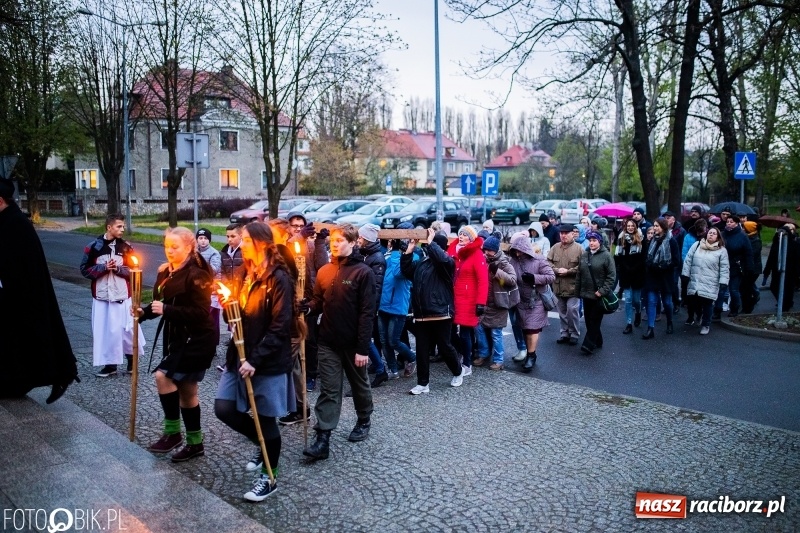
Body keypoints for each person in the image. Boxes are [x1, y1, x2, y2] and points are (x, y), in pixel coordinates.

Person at [214, 222, 295, 502]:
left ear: (261, 242)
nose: (241, 243)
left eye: (246, 239)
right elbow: (235, 317)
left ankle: (270, 477)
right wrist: (228, 307)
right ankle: (261, 445)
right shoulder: (245, 272)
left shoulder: (279, 277)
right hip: (239, 355)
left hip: (266, 361)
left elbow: (281, 325)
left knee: (266, 420)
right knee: (223, 407)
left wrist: (256, 359)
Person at [134, 227, 216, 462]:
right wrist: (143, 313)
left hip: (197, 339)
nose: (169, 251)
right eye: (167, 246)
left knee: (163, 376)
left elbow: (202, 313)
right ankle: (195, 444)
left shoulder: (198, 274)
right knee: (188, 392)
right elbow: (160, 303)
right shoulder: (165, 271)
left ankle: (172, 433)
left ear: (189, 248)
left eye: (175, 247)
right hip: (177, 337)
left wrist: (167, 310)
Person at [300, 224, 376, 460]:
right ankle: (323, 438)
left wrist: (363, 349)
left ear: (353, 243)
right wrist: (307, 307)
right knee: (329, 390)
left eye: (341, 240)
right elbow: (318, 301)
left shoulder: (363, 273)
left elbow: (367, 313)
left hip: (354, 343)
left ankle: (364, 419)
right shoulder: (324, 271)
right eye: (333, 239)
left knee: (359, 384)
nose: (335, 243)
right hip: (328, 341)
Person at [0, 178, 79, 403]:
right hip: (11, 294)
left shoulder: (16, 224)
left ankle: (61, 373)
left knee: (36, 337)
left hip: (23, 296)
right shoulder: (6, 220)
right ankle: (12, 382)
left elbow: (18, 263)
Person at [80, 213, 145, 377]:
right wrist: (102, 268)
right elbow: (84, 270)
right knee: (106, 331)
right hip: (102, 297)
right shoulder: (93, 247)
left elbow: (134, 271)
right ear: (109, 227)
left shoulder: (126, 248)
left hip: (123, 297)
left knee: (127, 330)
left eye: (123, 226)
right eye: (119, 226)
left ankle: (132, 361)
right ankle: (110, 366)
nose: (122, 229)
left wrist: (117, 269)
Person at [401, 230, 465, 394]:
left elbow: (442, 260)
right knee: (422, 349)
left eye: (432, 244)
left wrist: (430, 243)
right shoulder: (423, 262)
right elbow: (407, 272)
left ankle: (458, 371)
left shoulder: (447, 262)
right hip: (422, 314)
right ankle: (423, 383)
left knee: (445, 346)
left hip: (441, 312)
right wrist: (409, 250)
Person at [287, 211, 329, 393]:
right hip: (290, 297)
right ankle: (291, 373)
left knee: (310, 338)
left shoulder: (310, 245)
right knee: (292, 337)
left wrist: (320, 242)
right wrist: (299, 236)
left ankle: (311, 373)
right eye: (294, 226)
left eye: (300, 225)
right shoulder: (285, 244)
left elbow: (321, 265)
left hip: (309, 297)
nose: (298, 229)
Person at [507, 234, 555, 371]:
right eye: (515, 250)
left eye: (519, 250)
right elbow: (509, 276)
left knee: (532, 328)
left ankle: (531, 356)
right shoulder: (513, 261)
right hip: (520, 300)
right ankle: (529, 353)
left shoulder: (539, 260)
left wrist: (534, 278)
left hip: (536, 300)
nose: (517, 253)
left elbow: (551, 276)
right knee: (525, 328)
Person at [446, 225, 488, 379]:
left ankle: (467, 364)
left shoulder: (477, 254)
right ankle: (461, 354)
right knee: (449, 332)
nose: (461, 236)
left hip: (469, 300)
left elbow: (483, 280)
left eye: (465, 234)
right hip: (453, 297)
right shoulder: (452, 251)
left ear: (471, 238)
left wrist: (480, 302)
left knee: (465, 333)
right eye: (460, 234)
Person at [473, 236, 517, 370]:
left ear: (495, 250)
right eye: (485, 249)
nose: (486, 252)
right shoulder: (483, 260)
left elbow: (512, 281)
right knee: (478, 328)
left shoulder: (504, 262)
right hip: (484, 303)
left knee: (496, 334)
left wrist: (497, 272)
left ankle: (499, 360)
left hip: (499, 304)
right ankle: (484, 353)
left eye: (489, 250)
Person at [378, 231, 417, 379]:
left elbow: (397, 273)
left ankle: (412, 357)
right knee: (384, 341)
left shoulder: (410, 259)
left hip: (398, 307)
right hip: (383, 305)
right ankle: (393, 370)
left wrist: (396, 253)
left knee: (393, 341)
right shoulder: (387, 257)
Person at [356, 224, 390, 387]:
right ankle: (378, 368)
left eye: (361, 237)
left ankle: (379, 369)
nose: (358, 240)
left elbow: (376, 287)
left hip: (366, 306)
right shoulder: (366, 255)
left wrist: (369, 308)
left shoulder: (377, 258)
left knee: (363, 338)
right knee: (364, 338)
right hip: (363, 305)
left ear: (367, 240)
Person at [682, 227, 729, 335]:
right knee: (695, 302)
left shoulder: (722, 251)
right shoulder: (697, 245)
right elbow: (688, 260)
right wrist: (685, 274)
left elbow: (724, 268)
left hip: (710, 282)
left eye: (714, 233)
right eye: (709, 233)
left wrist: (723, 282)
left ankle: (706, 324)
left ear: (718, 237)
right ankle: (699, 315)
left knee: (708, 303)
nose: (711, 235)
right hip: (696, 280)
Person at [577, 231, 616, 354]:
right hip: (586, 294)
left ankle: (588, 345)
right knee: (588, 319)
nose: (592, 243)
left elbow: (611, 276)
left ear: (600, 241)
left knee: (595, 320)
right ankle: (598, 340)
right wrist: (577, 291)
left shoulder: (606, 256)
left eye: (594, 240)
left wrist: (602, 291)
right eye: (590, 240)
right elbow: (579, 274)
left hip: (598, 295)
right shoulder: (585, 254)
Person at [641, 218, 679, 339]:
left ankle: (669, 322)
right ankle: (650, 328)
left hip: (665, 276)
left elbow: (676, 260)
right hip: (653, 275)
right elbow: (647, 256)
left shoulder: (671, 241)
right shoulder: (652, 240)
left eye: (657, 226)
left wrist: (664, 265)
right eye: (654, 226)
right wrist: (649, 264)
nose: (655, 228)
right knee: (651, 301)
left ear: (663, 227)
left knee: (667, 302)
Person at [547, 224, 583, 345]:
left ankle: (574, 333)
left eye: (566, 233)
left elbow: (583, 266)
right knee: (562, 312)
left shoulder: (579, 248)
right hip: (558, 285)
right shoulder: (555, 247)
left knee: (572, 310)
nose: (563, 235)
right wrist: (556, 270)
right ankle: (564, 333)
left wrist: (569, 271)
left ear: (573, 234)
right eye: (561, 233)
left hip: (573, 286)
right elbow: (548, 262)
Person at [715, 215, 753, 318]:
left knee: (733, 290)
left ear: (736, 224)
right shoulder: (722, 234)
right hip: (722, 266)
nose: (729, 224)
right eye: (727, 222)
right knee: (721, 290)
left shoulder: (742, 236)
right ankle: (717, 310)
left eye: (731, 222)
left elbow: (748, 252)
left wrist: (749, 267)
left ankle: (734, 309)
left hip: (735, 267)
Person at [614, 218, 646, 333]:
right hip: (625, 273)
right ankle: (628, 323)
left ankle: (638, 312)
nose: (630, 228)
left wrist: (634, 268)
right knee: (628, 299)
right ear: (625, 227)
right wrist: (623, 267)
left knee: (636, 300)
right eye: (628, 226)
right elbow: (618, 256)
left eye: (632, 226)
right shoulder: (621, 238)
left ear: (636, 227)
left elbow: (643, 257)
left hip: (637, 273)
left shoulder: (641, 239)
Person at [763, 224, 799, 312]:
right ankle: (782, 302)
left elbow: (797, 259)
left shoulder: (794, 244)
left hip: (790, 271)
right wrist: (766, 273)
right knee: (774, 287)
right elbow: (770, 258)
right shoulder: (776, 244)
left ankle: (786, 305)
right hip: (777, 270)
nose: (780, 236)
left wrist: (798, 273)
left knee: (788, 289)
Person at [196, 228, 223, 346]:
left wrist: (198, 268)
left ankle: (212, 343)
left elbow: (213, 270)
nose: (203, 241)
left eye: (205, 238)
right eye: (200, 238)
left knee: (212, 320)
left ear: (209, 240)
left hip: (212, 292)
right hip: (198, 291)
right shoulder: (194, 251)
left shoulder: (214, 253)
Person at [741, 221, 762, 314]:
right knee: (745, 288)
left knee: (746, 288)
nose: (742, 229)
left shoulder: (755, 240)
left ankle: (748, 306)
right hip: (749, 268)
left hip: (753, 270)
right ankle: (748, 305)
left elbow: (751, 254)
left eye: (743, 228)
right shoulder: (749, 238)